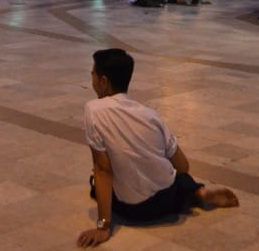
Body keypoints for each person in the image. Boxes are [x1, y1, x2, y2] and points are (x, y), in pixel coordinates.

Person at [77, 48, 238, 245]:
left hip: (134, 210)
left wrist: (103, 226)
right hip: (167, 199)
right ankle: (197, 192)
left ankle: (190, 194)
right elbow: (183, 166)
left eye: (93, 74)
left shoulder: (93, 110)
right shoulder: (151, 115)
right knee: (179, 178)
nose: (92, 79)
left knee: (95, 182)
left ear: (103, 82)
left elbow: (103, 169)